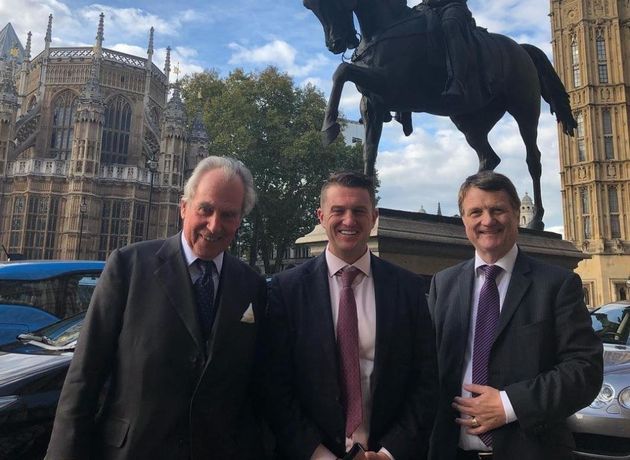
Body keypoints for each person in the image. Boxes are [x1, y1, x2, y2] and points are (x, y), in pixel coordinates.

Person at [46, 156, 268, 460]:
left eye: (228, 215)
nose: (214, 225)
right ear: (184, 207)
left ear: (240, 220)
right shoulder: (128, 266)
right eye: (206, 209)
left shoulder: (252, 285)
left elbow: (256, 387)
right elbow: (85, 375)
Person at [428, 171, 603, 460]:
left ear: (517, 214)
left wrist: (509, 405)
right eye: (476, 212)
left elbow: (585, 370)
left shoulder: (556, 285)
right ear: (463, 221)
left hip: (532, 450)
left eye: (497, 209)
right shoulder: (443, 284)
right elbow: (425, 370)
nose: (487, 220)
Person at [264, 171, 438, 460]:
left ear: (374, 217)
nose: (348, 220)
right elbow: (275, 385)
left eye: (359, 211)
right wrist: (318, 455)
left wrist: (390, 453)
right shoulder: (287, 290)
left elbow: (425, 382)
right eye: (338, 211)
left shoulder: (407, 288)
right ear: (321, 216)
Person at [422, 0, 474, 102]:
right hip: (427, 8)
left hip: (453, 5)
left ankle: (458, 81)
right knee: (407, 26)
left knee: (450, 23)